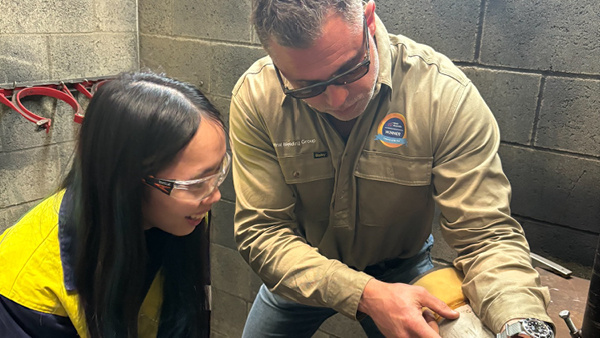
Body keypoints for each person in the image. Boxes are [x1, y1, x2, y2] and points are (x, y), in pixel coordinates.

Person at [229, 0, 554, 337]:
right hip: (303, 269)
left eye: (349, 71)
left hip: (404, 271)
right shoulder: (257, 97)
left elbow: (486, 236)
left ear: (369, 19)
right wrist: (366, 294)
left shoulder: (441, 95)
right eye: (308, 87)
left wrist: (523, 323)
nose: (337, 101)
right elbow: (262, 232)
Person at [0, 72, 229, 337]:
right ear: (129, 179)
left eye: (219, 171)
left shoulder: (184, 214)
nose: (215, 196)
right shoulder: (26, 287)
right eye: (197, 182)